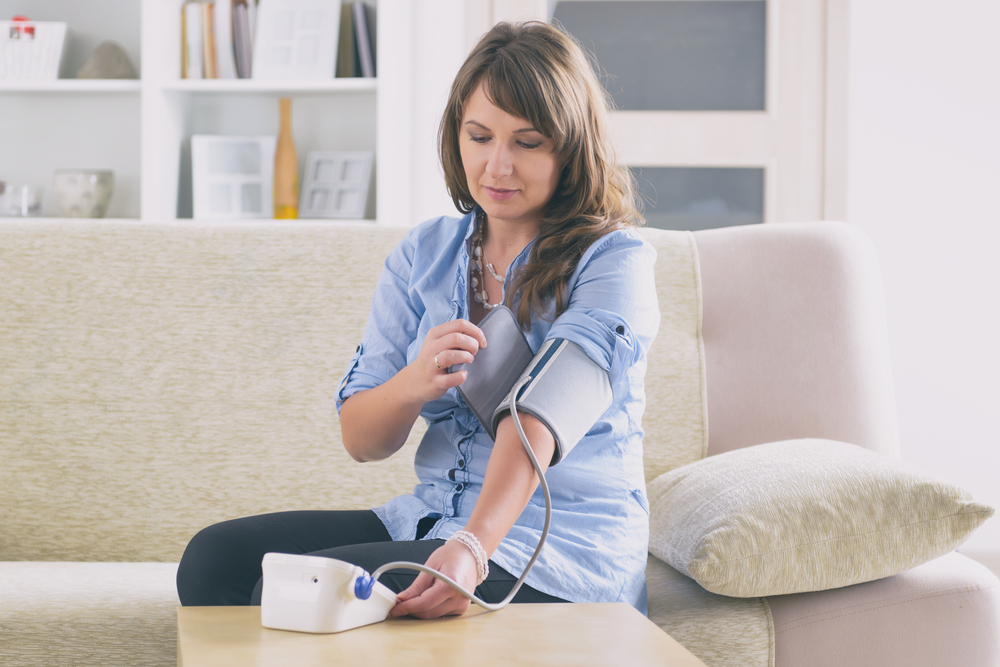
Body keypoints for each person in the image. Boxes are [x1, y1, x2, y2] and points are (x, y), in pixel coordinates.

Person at [176, 20, 659, 620]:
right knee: (214, 560)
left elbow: (542, 416)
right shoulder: (424, 254)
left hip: (558, 547)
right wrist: (414, 382)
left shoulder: (614, 261)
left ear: (571, 146)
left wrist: (472, 548)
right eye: (479, 136)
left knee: (280, 596)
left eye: (527, 142)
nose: (497, 165)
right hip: (436, 516)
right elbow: (361, 439)